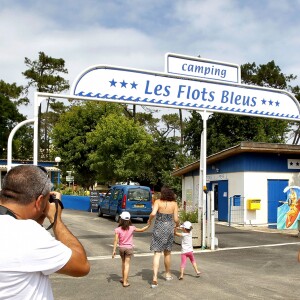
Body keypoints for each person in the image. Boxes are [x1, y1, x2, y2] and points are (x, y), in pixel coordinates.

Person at [0, 165, 90, 300]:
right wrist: (56, 219)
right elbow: (81, 266)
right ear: (39, 201)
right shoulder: (29, 234)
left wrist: (37, 217)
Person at [147, 186, 179, 288]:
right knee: (167, 252)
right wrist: (177, 225)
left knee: (157, 253)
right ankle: (168, 274)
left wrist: (150, 220)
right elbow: (176, 218)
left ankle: (155, 277)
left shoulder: (157, 202)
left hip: (158, 228)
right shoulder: (174, 204)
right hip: (169, 228)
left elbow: (153, 213)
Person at [112, 211, 150, 287]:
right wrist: (148, 225)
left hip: (121, 248)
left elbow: (116, 240)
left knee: (123, 263)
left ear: (121, 219)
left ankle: (123, 278)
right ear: (129, 219)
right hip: (129, 248)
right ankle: (125, 282)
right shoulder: (132, 228)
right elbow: (142, 230)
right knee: (127, 264)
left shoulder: (118, 229)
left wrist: (114, 250)